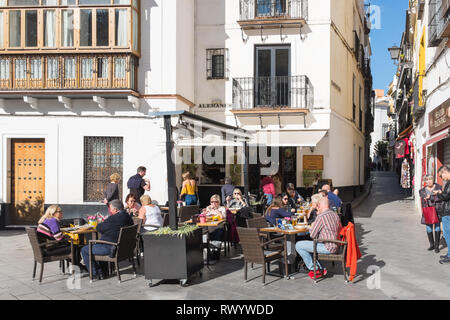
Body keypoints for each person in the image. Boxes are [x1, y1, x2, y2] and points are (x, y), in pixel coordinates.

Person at [80, 199, 133, 280]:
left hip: (110, 247)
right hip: (122, 247)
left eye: (111, 209)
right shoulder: (127, 217)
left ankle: (96, 273)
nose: (110, 210)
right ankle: (104, 272)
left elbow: (99, 227)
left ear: (115, 209)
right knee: (97, 245)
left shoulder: (114, 218)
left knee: (85, 250)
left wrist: (103, 222)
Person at [295, 197, 342, 279]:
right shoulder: (335, 215)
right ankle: (320, 268)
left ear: (320, 206)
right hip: (335, 245)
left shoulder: (321, 217)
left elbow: (312, 235)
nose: (317, 208)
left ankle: (315, 269)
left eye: (317, 206)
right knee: (309, 245)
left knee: (299, 245)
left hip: (327, 246)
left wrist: (312, 227)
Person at [419, 175, 442, 253]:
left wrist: (431, 197)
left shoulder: (439, 187)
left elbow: (440, 198)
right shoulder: (422, 190)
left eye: (430, 179)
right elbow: (423, 199)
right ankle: (431, 245)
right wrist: (432, 196)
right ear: (425, 181)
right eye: (427, 180)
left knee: (437, 228)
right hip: (428, 211)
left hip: (437, 211)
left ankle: (436, 246)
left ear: (433, 180)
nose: (429, 181)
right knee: (429, 228)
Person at [433, 165, 450, 264]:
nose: (441, 178)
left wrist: (438, 194)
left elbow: (446, 196)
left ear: (445, 172)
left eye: (441, 176)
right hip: (447, 211)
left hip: (448, 211)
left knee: (447, 234)